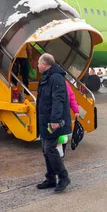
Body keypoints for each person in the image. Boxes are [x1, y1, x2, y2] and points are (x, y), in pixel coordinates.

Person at [35, 53, 72, 193]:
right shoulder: (47, 77)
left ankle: (63, 177)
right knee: (45, 149)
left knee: (50, 148)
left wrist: (55, 120)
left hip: (54, 121)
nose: (37, 65)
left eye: (39, 63)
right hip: (45, 120)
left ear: (45, 64)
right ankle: (50, 178)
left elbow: (58, 100)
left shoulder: (56, 77)